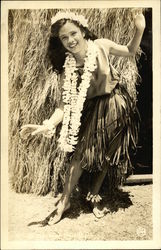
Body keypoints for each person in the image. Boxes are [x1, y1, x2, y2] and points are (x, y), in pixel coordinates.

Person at [21, 10, 145, 225]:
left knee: (108, 152)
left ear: (83, 31)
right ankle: (65, 202)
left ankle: (93, 196)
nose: (70, 40)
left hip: (115, 103)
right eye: (64, 37)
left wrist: (139, 29)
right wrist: (48, 125)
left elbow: (130, 50)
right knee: (80, 155)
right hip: (91, 109)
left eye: (73, 33)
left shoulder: (102, 46)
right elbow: (64, 104)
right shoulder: (67, 69)